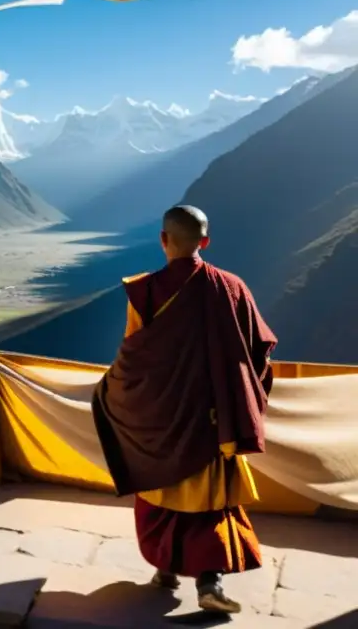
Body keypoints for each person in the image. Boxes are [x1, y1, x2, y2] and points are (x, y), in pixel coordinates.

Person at [92, 205, 278, 614]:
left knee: (160, 498)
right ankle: (207, 582)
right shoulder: (232, 288)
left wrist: (111, 395)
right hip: (213, 425)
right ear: (205, 243)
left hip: (160, 423)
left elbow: (132, 359)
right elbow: (259, 352)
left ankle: (166, 572)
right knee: (210, 504)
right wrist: (242, 398)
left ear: (163, 240)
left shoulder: (144, 292)